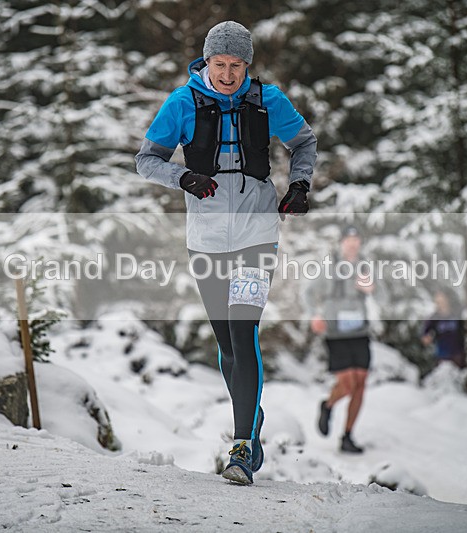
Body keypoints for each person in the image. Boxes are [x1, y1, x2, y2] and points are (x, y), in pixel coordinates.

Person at [135, 21, 317, 485]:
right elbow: (146, 160)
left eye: (237, 65)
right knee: (227, 345)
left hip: (257, 234)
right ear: (206, 62)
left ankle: (241, 449)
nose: (229, 74)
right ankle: (251, 417)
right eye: (220, 64)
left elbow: (303, 142)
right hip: (207, 240)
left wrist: (299, 184)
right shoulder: (182, 103)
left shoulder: (267, 99)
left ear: (247, 65)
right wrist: (183, 177)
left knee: (243, 331)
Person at [303, 225, 373, 454]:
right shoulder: (329, 268)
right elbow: (309, 293)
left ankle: (347, 436)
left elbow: (384, 295)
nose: (352, 244)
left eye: (356, 240)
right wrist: (314, 315)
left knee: (360, 384)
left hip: (360, 331)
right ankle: (328, 405)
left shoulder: (366, 267)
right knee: (348, 384)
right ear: (342, 243)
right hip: (336, 333)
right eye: (348, 240)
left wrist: (371, 288)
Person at [421, 289, 466, 368]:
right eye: (437, 301)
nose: (439, 303)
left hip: (459, 354)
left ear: (447, 299)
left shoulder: (457, 313)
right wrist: (427, 338)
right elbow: (425, 334)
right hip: (442, 355)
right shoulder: (434, 318)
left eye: (442, 300)